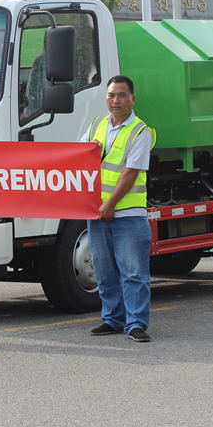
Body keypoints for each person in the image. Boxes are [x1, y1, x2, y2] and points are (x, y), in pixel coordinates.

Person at [82, 75, 155, 342]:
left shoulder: (140, 131)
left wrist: (109, 205)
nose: (116, 100)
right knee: (104, 271)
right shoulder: (96, 126)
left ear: (132, 99)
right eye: (111, 95)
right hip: (98, 213)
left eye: (122, 95)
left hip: (127, 215)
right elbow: (77, 159)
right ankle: (112, 319)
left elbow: (130, 173)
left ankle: (135, 323)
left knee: (133, 272)